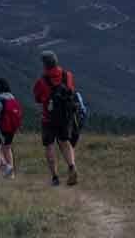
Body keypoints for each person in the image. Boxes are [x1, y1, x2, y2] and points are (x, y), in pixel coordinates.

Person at [33, 50, 79, 186]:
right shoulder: (68, 75)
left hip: (49, 118)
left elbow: (38, 98)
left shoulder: (41, 82)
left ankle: (55, 177)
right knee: (65, 142)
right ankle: (72, 166)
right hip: (65, 117)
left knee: (49, 146)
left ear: (45, 65)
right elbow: (71, 90)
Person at [0, 78, 23, 178]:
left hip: (1, 128)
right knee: (7, 148)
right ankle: (11, 173)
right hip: (12, 128)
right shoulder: (12, 98)